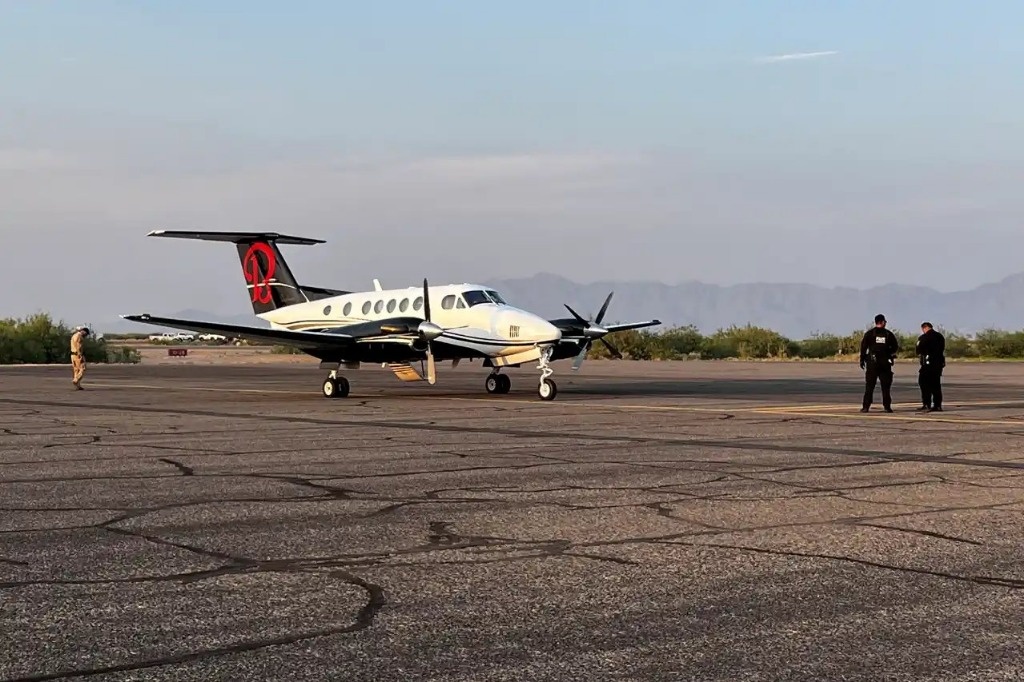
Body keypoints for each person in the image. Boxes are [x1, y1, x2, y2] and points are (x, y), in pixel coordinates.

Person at [860, 314, 899, 412]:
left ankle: (866, 407)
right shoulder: (888, 334)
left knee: (869, 386)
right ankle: (887, 407)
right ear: (882, 322)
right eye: (885, 321)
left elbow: (863, 348)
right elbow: (895, 347)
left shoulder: (869, 334)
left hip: (872, 363)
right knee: (885, 387)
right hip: (884, 362)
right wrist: (889, 353)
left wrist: (862, 359)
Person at [915, 321, 945, 412]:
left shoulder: (923, 337)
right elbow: (942, 349)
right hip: (938, 364)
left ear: (924, 328)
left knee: (924, 383)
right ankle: (937, 405)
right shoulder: (940, 337)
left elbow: (918, 350)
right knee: (936, 385)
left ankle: (926, 403)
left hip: (927, 365)